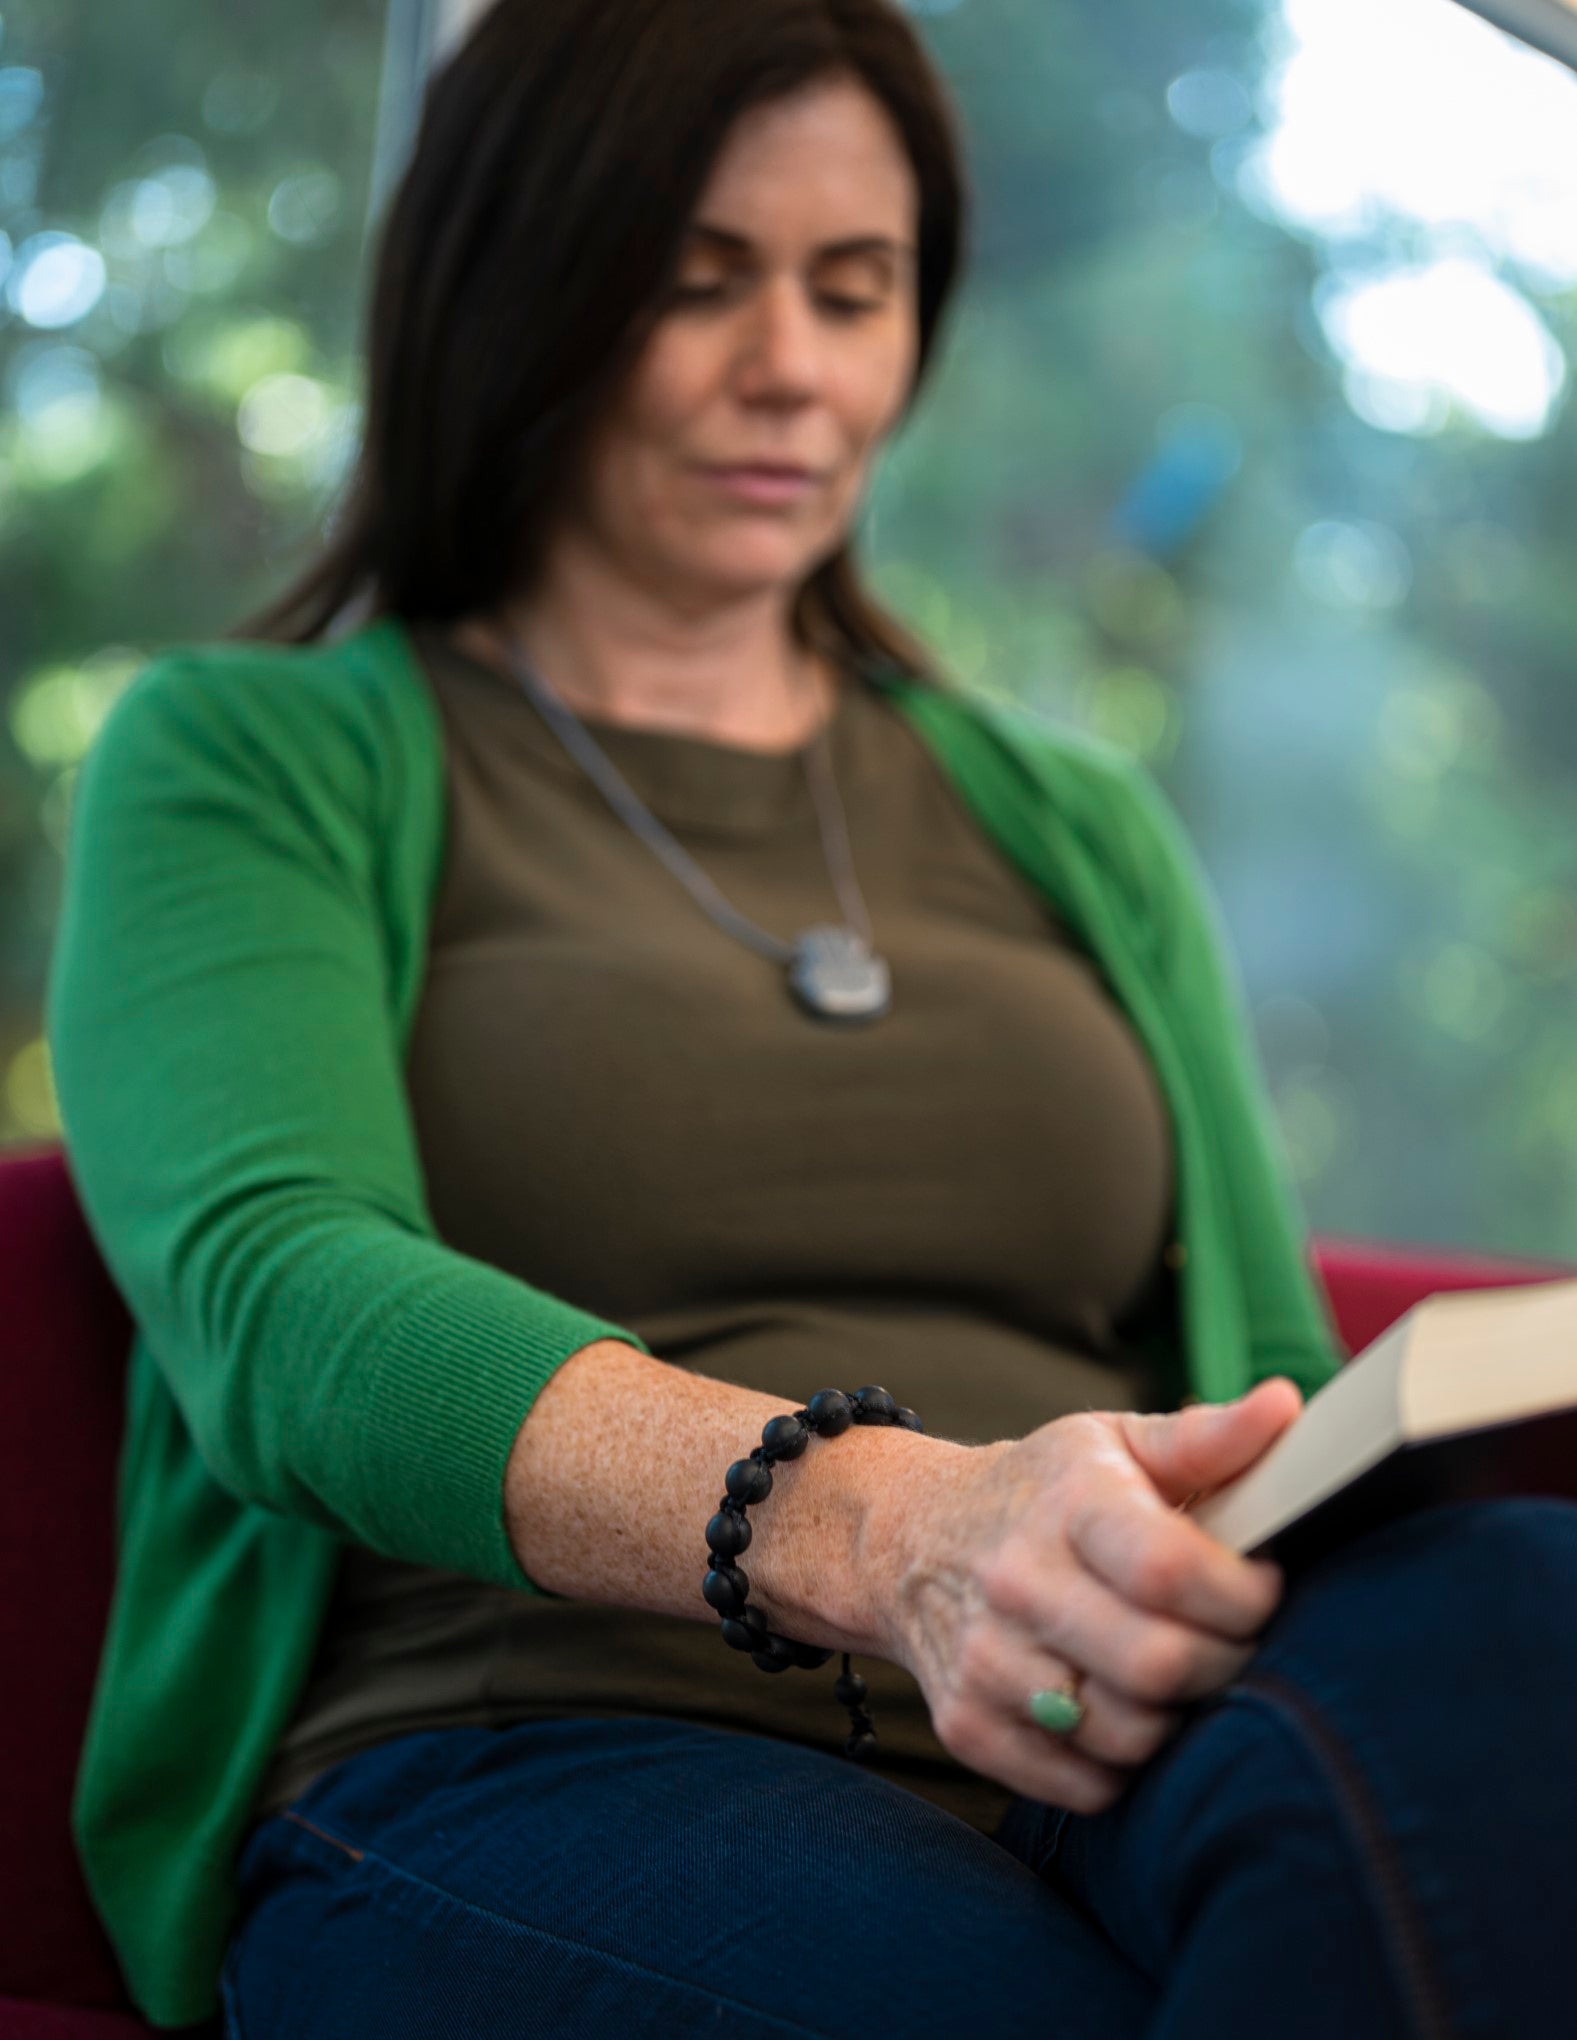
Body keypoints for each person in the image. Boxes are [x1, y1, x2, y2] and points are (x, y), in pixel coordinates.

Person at [43, 1, 1577, 2034]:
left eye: (855, 290)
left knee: (1522, 1626)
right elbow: (276, 1299)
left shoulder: (1063, 817)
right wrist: (881, 1526)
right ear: (511, 290)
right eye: (695, 284)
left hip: (1090, 1720)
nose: (794, 368)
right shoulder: (248, 753)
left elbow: (1261, 1361)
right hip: (539, 1738)